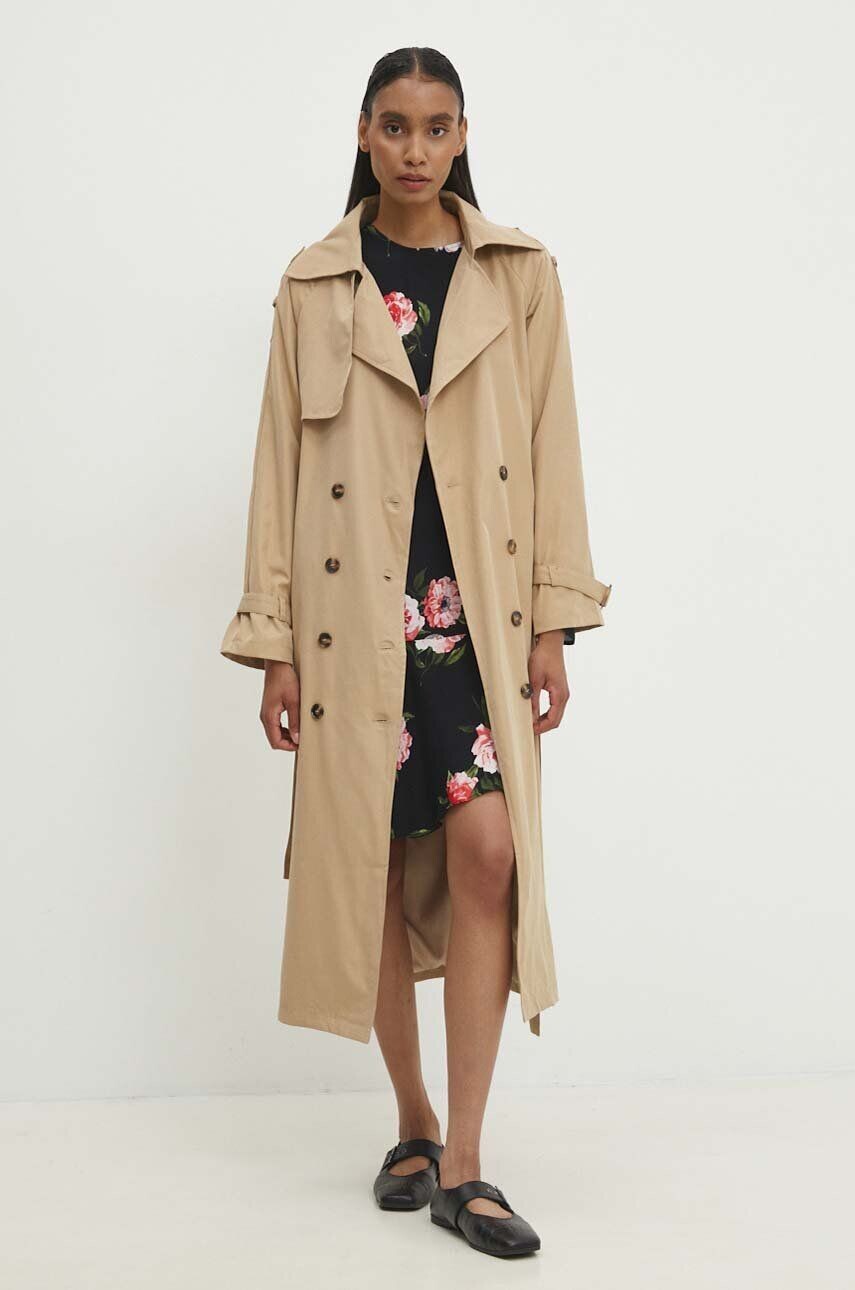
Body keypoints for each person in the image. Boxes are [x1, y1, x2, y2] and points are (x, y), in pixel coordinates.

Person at [220, 46, 611, 1259]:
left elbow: (552, 449)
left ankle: (471, 1165)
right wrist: (274, 642)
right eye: (394, 125)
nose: (415, 148)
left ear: (461, 137)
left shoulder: (518, 276)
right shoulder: (314, 283)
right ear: (362, 133)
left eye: (437, 127)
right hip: (353, 624)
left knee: (488, 853)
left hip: (474, 611)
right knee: (375, 872)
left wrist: (553, 620)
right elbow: (279, 466)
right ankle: (414, 1124)